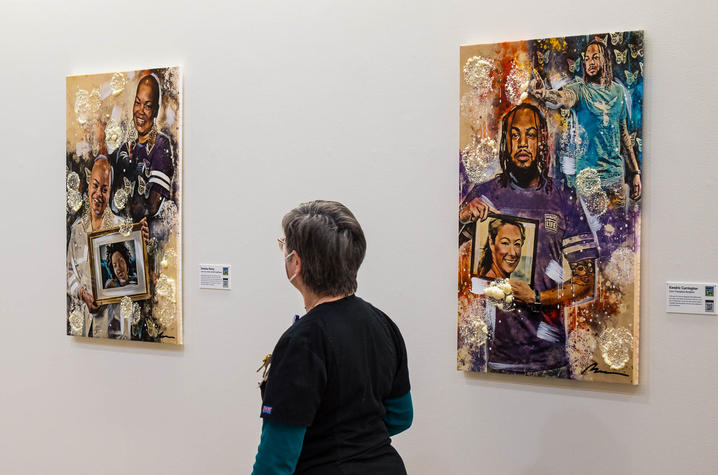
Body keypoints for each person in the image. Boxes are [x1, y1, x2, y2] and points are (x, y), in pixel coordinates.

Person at [253, 201, 412, 474]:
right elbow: (400, 416)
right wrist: (354, 440)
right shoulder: (383, 323)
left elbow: (276, 459)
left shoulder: (301, 341)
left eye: (284, 247)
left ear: (296, 262)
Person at [459, 103, 598, 376]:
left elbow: (586, 283)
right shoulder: (485, 194)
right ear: (505, 142)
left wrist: (536, 298)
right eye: (515, 135)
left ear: (542, 142)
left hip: (550, 360)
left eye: (531, 135)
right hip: (499, 359)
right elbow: (435, 251)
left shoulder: (563, 198)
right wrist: (462, 218)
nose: (523, 143)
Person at [530, 39, 641, 201]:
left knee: (615, 224)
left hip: (615, 177)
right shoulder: (579, 89)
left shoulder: (618, 92)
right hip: (588, 180)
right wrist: (545, 94)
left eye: (595, 57)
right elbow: (563, 98)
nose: (590, 62)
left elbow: (623, 133)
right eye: (587, 59)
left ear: (606, 60)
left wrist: (635, 172)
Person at [111, 74, 175, 222]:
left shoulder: (160, 145)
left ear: (156, 111)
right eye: (137, 103)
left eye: (147, 106)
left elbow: (151, 206)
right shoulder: (124, 149)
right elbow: (114, 203)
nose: (140, 110)